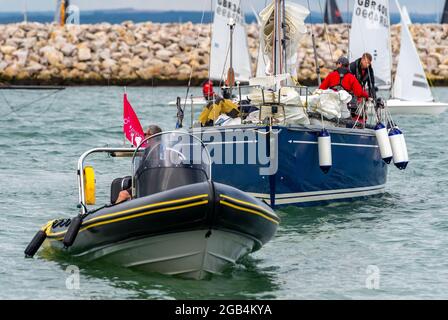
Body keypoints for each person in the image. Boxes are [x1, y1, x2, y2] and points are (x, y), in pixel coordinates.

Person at [114, 125, 162, 204]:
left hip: (151, 183)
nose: (144, 137)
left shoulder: (151, 151)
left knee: (123, 194)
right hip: (154, 181)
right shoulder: (160, 149)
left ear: (153, 136)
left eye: (145, 134)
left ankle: (113, 214)